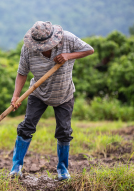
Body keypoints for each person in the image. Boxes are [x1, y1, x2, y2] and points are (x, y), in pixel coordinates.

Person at [9, 21, 94, 180]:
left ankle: (62, 169)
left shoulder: (67, 39)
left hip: (64, 94)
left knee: (64, 131)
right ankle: (16, 167)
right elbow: (22, 72)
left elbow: (89, 49)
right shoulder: (28, 49)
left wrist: (69, 56)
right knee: (27, 126)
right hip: (38, 93)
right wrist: (16, 96)